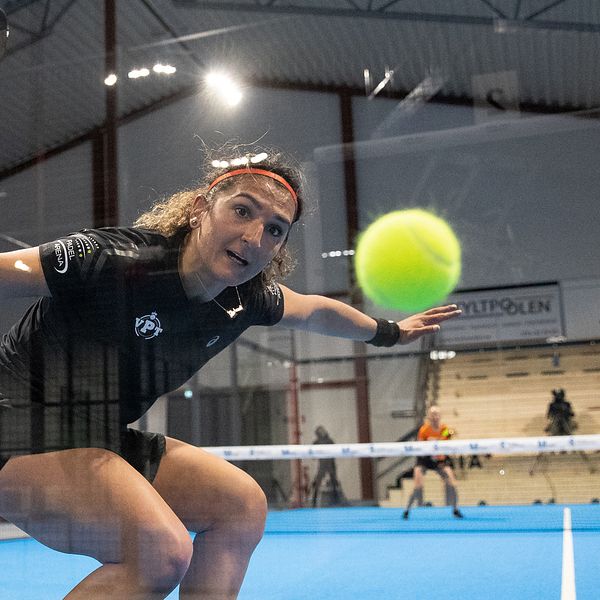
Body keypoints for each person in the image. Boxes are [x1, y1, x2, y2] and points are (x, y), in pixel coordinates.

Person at [0, 147, 461, 599]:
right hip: (14, 428)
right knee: (161, 552)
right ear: (201, 209)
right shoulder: (112, 260)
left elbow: (316, 311)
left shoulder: (247, 299)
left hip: (95, 437)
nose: (255, 236)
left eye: (274, 230)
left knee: (240, 504)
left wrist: (390, 333)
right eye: (242, 211)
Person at [403, 405, 463, 519]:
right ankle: (407, 509)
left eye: (437, 414)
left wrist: (446, 438)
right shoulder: (424, 430)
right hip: (424, 460)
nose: (435, 417)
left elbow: (446, 439)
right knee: (417, 486)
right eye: (432, 414)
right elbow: (420, 447)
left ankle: (455, 509)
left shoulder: (444, 429)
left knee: (452, 482)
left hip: (439, 461)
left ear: (440, 416)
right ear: (429, 417)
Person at [310, 425, 343, 507]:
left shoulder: (329, 441)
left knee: (334, 482)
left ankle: (336, 499)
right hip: (323, 464)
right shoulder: (317, 442)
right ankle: (314, 501)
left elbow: (335, 452)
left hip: (330, 463)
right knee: (318, 482)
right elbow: (312, 454)